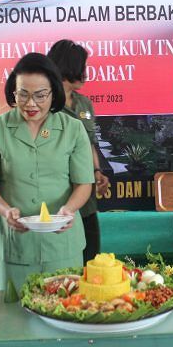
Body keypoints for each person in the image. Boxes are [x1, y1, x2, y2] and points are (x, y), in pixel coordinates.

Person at [0, 53, 94, 292]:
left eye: (40, 95)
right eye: (22, 94)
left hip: (61, 241)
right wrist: (5, 211)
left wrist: (69, 209)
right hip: (15, 243)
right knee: (14, 317)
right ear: (13, 91)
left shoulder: (72, 128)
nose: (30, 103)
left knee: (66, 310)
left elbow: (84, 183)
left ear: (54, 92)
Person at [47, 39, 109, 262]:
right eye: (82, 67)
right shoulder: (45, 104)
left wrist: (97, 171)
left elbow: (89, 142)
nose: (85, 74)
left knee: (91, 255)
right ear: (68, 67)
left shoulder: (84, 104)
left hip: (86, 195)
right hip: (58, 193)